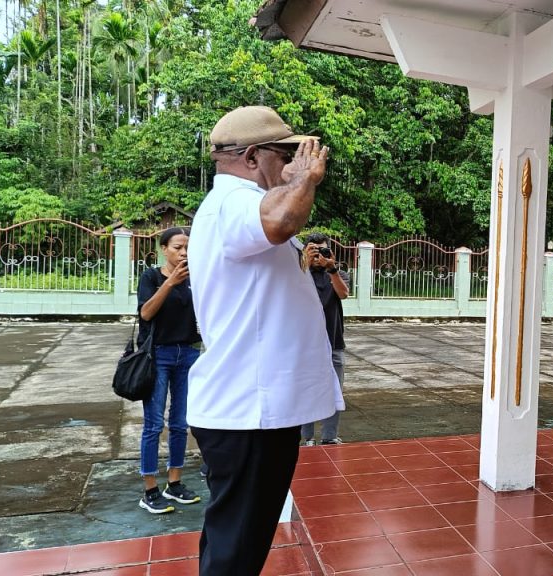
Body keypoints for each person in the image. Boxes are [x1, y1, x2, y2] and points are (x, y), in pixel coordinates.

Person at [187, 106, 342, 576]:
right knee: (237, 550)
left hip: (256, 409)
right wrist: (304, 181)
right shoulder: (234, 201)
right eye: (285, 155)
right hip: (248, 411)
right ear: (253, 157)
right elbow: (280, 222)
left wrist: (290, 181)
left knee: (236, 540)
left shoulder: (238, 204)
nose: (292, 163)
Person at [136, 226, 202, 514]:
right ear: (164, 249)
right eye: (177, 247)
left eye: (188, 247)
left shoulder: (196, 279)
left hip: (188, 353)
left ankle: (174, 483)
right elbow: (146, 313)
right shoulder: (151, 277)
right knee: (153, 424)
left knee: (180, 423)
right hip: (158, 355)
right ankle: (150, 489)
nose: (184, 252)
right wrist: (170, 282)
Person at [300, 232, 350, 446]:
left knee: (334, 391)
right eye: (314, 250)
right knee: (305, 391)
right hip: (305, 344)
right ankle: (307, 438)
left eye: (322, 250)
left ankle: (329, 436)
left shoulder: (338, 273)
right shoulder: (298, 273)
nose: (319, 255)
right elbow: (290, 291)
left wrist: (332, 269)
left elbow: (343, 293)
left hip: (334, 341)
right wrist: (304, 263)